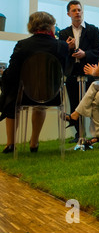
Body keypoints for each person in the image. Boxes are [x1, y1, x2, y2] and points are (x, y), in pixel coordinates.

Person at [0, 11, 69, 153]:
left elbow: (12, 73)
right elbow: (65, 70)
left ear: (31, 26)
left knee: (12, 95)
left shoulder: (22, 45)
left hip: (24, 94)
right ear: (50, 26)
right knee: (40, 104)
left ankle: (10, 144)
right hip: (51, 95)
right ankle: (34, 142)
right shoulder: (61, 46)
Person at [59, 0, 99, 143]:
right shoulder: (63, 33)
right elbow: (60, 54)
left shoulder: (93, 30)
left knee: (94, 103)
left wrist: (85, 54)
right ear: (68, 14)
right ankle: (79, 134)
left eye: (79, 10)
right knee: (74, 102)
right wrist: (68, 48)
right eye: (74, 10)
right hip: (72, 72)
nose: (77, 13)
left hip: (90, 70)